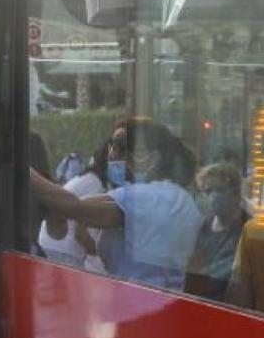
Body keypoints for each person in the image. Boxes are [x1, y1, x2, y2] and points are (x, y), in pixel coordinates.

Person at [30, 117, 201, 291]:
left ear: (152, 158)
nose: (111, 154)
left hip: (138, 303)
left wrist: (24, 168)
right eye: (111, 145)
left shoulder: (147, 197)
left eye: (121, 147)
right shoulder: (179, 198)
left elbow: (76, 208)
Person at [37, 137, 113, 270]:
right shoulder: (96, 185)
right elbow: (81, 232)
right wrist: (99, 257)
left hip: (52, 241)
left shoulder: (87, 178)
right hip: (63, 249)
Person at [184, 162, 248, 300]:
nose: (211, 197)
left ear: (235, 192)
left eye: (217, 190)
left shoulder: (246, 228)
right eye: (206, 192)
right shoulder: (204, 226)